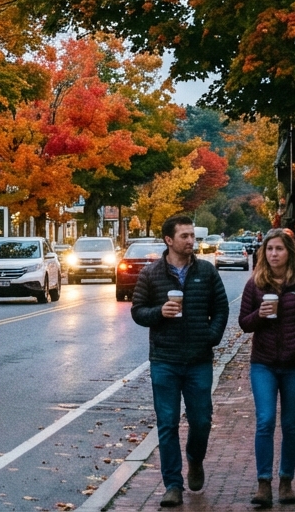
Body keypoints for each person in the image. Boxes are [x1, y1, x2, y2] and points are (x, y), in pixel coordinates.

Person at [131, 214, 230, 508]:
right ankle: (172, 484)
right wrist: (159, 312)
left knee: (201, 420)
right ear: (169, 240)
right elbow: (138, 311)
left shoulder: (207, 272)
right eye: (185, 236)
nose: (191, 241)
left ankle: (195, 459)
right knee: (167, 423)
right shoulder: (151, 274)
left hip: (198, 359)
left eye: (192, 236)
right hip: (165, 359)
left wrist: (210, 336)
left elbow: (221, 308)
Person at [239, 229, 295, 508]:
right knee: (265, 421)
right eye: (269, 249)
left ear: (290, 252)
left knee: (290, 424)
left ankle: (286, 480)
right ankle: (264, 482)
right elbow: (244, 323)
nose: (273, 254)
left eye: (279, 249)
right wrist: (259, 316)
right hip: (263, 363)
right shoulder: (255, 284)